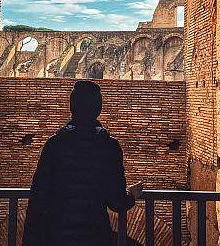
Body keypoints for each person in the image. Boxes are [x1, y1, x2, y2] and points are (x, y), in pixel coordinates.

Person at [22, 80, 143, 246]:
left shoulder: (54, 145)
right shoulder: (109, 147)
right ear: (98, 109)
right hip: (95, 236)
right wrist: (131, 194)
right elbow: (117, 201)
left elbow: (38, 198)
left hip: (56, 236)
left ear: (72, 107)